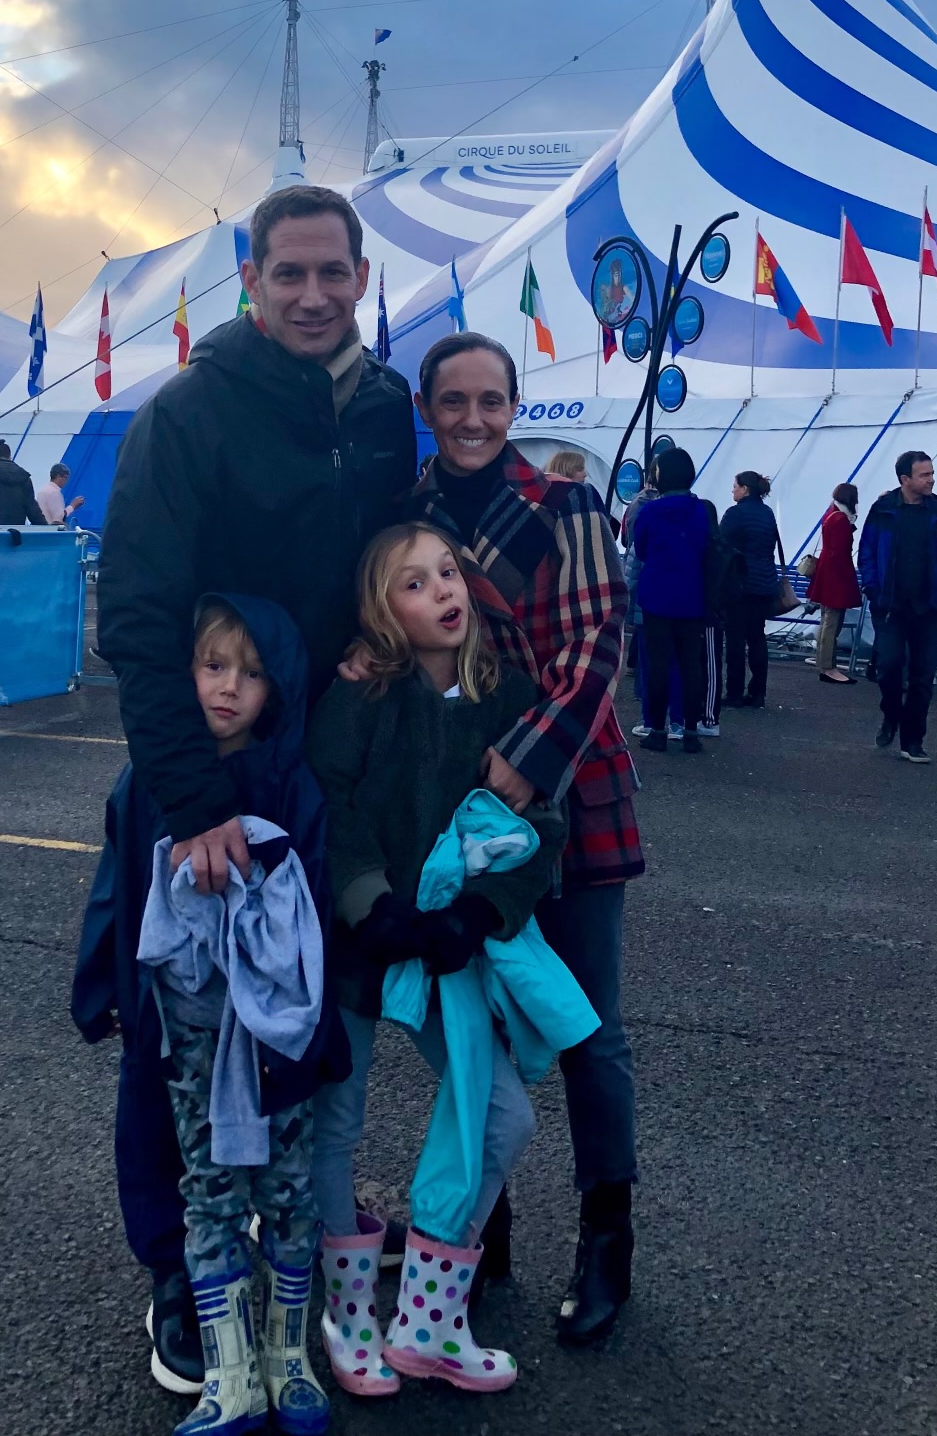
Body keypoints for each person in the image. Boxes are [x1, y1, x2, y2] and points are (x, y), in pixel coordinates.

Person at [93, 184, 416, 1393]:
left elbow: (387, 565)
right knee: (180, 1028)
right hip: (207, 772)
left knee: (299, 1016)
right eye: (290, 274)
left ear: (362, 273)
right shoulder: (192, 411)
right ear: (252, 278)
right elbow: (133, 615)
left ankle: (284, 1257)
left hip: (322, 772)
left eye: (334, 273)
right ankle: (180, 1268)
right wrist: (192, 801)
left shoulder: (386, 409)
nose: (314, 295)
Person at [403, 332, 641, 1349]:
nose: (472, 417)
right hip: (455, 801)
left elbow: (597, 634)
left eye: (491, 400)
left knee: (587, 1023)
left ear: (514, 405)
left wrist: (526, 758)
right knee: (472, 1018)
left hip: (566, 786)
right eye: (453, 399)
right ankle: (480, 1227)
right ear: (425, 405)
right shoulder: (403, 514)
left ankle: (606, 1237)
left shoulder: (564, 503)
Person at [308, 522, 578, 1398]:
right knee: (335, 1124)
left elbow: (541, 828)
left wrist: (479, 910)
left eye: (448, 572)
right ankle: (349, 1319)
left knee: (504, 1117)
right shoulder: (359, 694)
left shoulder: (509, 696)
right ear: (380, 611)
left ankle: (427, 1320)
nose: (443, 591)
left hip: (452, 945)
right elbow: (332, 810)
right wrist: (370, 905)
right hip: (361, 941)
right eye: (414, 583)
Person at [74, 596, 347, 1436]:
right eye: (213, 666)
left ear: (281, 689)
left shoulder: (292, 785)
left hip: (276, 1031)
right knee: (208, 1189)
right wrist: (103, 988)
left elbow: (319, 913)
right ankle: (230, 1373)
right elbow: (117, 887)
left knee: (290, 1188)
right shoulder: (150, 777)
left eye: (252, 674)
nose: (228, 689)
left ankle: (289, 1359)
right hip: (188, 1031)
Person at [859, 450, 937, 765]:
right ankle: (891, 714)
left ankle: (913, 740)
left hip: (929, 608)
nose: (931, 479)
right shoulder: (883, 510)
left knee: (922, 676)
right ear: (905, 479)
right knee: (888, 667)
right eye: (924, 475)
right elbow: (867, 550)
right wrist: (873, 589)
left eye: (932, 473)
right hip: (891, 606)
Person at [632, 448, 712, 755]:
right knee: (692, 665)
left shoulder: (650, 511)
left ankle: (657, 730)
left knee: (658, 665)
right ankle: (691, 731)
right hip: (693, 596)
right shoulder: (703, 511)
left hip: (657, 595)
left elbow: (640, 550)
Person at [720, 471, 781, 708]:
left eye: (735, 486)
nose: (732, 490)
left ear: (745, 489)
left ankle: (734, 692)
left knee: (735, 639)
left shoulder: (735, 514)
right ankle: (758, 692)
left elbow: (720, 544)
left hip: (740, 585)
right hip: (764, 584)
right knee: (757, 637)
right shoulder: (767, 513)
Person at [809, 482, 861, 683]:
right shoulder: (840, 519)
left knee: (826, 620)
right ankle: (828, 667)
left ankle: (824, 661)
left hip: (826, 571)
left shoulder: (831, 514)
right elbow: (841, 551)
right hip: (836, 574)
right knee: (832, 621)